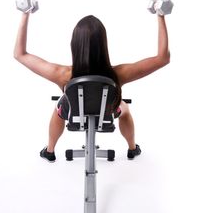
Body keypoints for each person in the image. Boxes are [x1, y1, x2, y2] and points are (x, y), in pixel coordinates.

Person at [14, 13, 170, 162]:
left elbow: (20, 54)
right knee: (125, 109)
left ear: (74, 44)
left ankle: (50, 150)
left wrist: (25, 14)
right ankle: (132, 148)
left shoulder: (61, 74)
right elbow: (162, 58)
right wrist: (160, 15)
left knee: (58, 108)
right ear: (104, 44)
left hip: (73, 113)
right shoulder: (119, 74)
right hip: (108, 112)